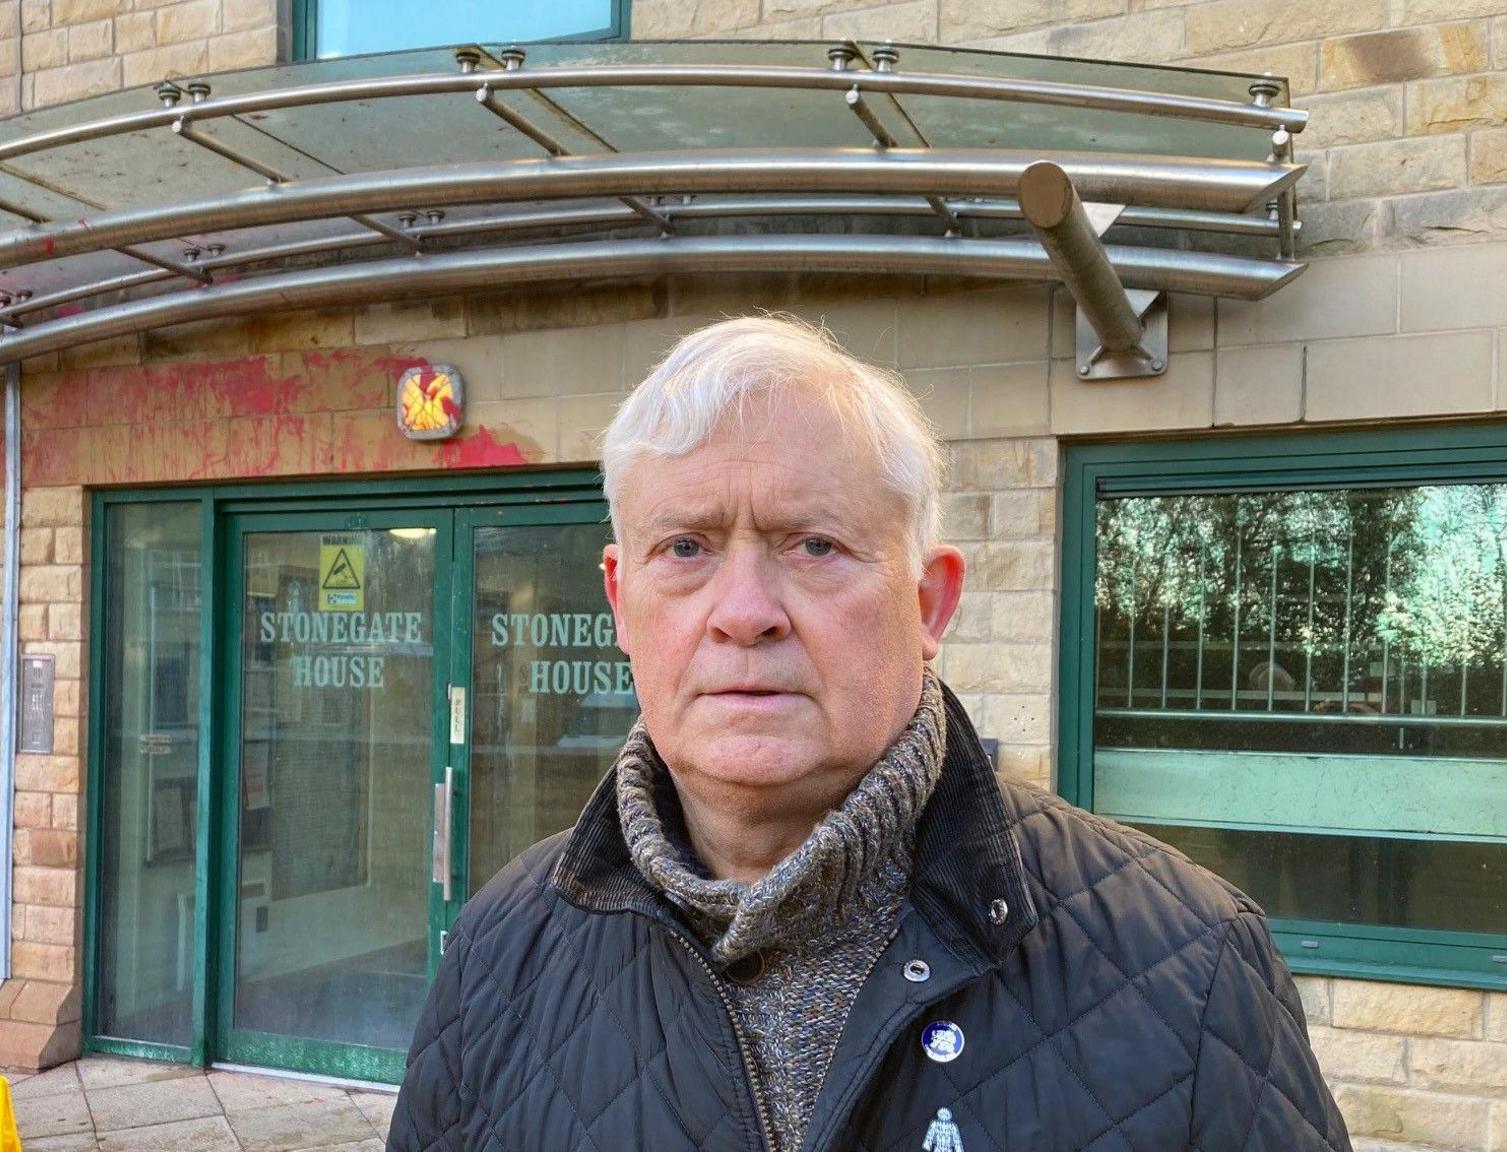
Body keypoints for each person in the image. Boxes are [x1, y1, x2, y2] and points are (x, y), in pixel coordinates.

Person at [387, 315, 1350, 1152]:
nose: (745, 612)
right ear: (620, 603)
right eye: (685, 548)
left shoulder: (1191, 967)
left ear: (929, 603)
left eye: (814, 545)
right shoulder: (497, 955)